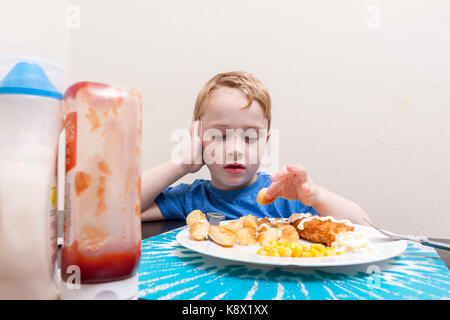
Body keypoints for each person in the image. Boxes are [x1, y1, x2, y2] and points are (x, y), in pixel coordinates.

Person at [140, 71, 371, 225]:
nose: (236, 150)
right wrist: (182, 164)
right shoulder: (191, 199)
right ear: (199, 137)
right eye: (220, 136)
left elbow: (363, 225)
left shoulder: (281, 195)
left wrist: (316, 195)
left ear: (265, 142)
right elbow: (121, 210)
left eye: (250, 138)